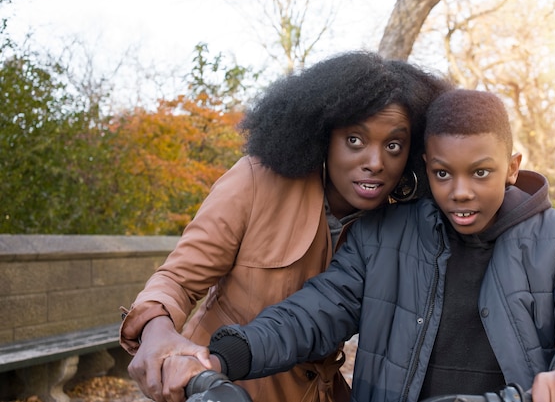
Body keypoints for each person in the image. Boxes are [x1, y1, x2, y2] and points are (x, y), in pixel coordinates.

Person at [196, 89, 555, 402]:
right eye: (443, 174)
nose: (460, 191)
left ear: (512, 168)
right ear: (426, 166)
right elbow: (314, 312)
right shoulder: (381, 233)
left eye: (480, 173)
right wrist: (223, 356)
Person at [118, 50, 453, 402]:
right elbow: (177, 279)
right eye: (355, 140)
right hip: (220, 387)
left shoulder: (400, 226)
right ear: (324, 137)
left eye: (394, 146)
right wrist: (157, 330)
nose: (375, 162)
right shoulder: (256, 181)